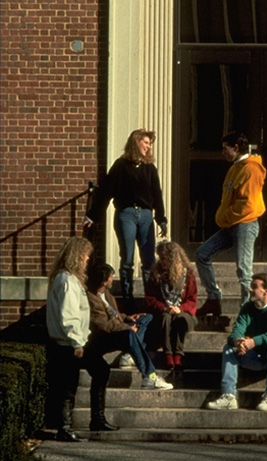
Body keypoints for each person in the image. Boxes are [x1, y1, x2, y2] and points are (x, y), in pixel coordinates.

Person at [83, 128, 168, 310]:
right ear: (136, 142)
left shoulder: (150, 168)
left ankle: (150, 299)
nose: (148, 146)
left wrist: (161, 219)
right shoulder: (120, 166)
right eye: (145, 142)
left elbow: (157, 195)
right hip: (126, 214)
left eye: (149, 144)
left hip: (145, 215)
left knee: (148, 260)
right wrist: (93, 215)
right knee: (127, 258)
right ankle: (127, 298)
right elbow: (106, 192)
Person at [46, 237, 118, 442]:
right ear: (77, 256)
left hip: (73, 340)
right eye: (85, 255)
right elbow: (68, 315)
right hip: (69, 342)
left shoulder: (67, 279)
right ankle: (65, 427)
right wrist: (77, 343)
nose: (88, 259)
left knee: (100, 370)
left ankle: (97, 419)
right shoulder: (66, 281)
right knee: (68, 384)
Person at [195, 132, 266, 316]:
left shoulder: (251, 169)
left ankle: (246, 315)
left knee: (244, 271)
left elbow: (247, 204)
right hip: (231, 225)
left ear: (236, 147)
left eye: (225, 148)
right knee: (202, 254)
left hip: (245, 224)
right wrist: (225, 219)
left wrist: (225, 217)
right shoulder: (235, 167)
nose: (222, 152)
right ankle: (213, 298)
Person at [206, 273, 267, 411]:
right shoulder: (247, 308)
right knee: (229, 348)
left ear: (266, 291)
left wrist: (254, 341)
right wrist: (238, 342)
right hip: (257, 358)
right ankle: (229, 395)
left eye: (254, 287)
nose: (250, 289)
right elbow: (237, 331)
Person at [86, 263, 173, 390]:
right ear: (104, 281)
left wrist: (128, 318)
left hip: (119, 326)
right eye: (111, 276)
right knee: (130, 335)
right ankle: (149, 376)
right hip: (106, 336)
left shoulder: (106, 294)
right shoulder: (92, 299)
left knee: (147, 317)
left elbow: (114, 314)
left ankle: (129, 355)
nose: (113, 278)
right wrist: (127, 328)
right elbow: (103, 324)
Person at [145, 241, 198, 370]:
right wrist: (164, 308)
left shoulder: (188, 274)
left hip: (183, 312)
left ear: (173, 259)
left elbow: (192, 300)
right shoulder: (156, 274)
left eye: (164, 258)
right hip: (164, 312)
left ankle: (178, 355)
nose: (161, 261)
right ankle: (168, 354)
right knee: (165, 318)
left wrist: (180, 309)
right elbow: (150, 299)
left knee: (182, 319)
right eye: (160, 258)